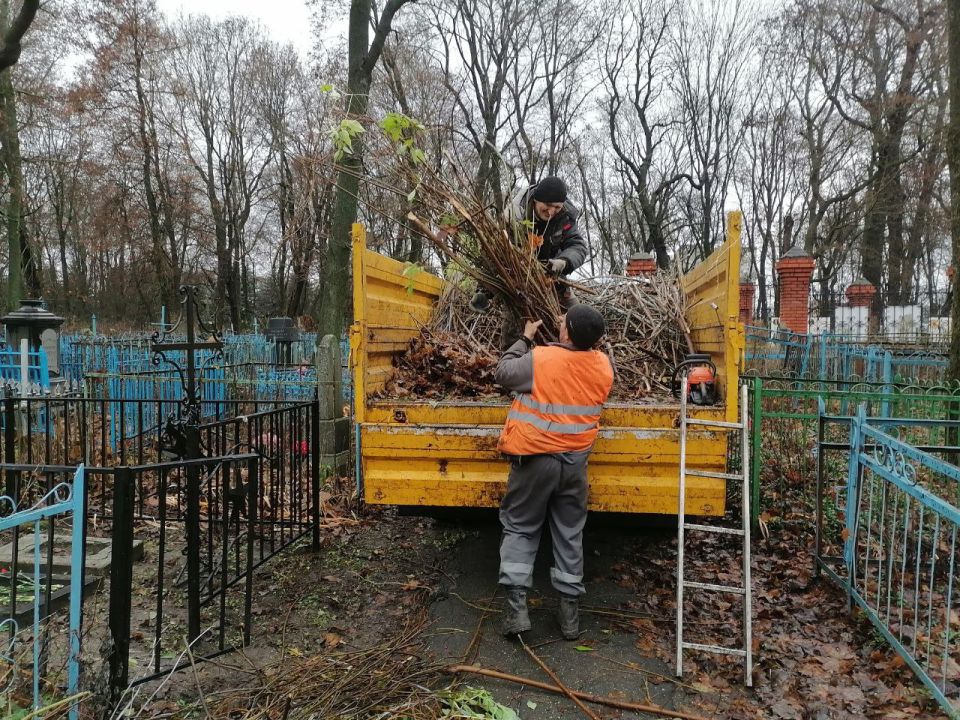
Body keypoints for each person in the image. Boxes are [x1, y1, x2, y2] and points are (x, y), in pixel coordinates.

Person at [493, 304, 614, 640]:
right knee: (569, 532)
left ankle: (517, 610)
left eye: (564, 323)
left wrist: (524, 339)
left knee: (521, 527)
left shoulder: (542, 358)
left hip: (536, 459)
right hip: (574, 464)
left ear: (567, 332)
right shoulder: (604, 366)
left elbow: (503, 373)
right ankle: (570, 616)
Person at [470, 176, 588, 318]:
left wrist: (564, 262)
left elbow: (577, 245)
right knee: (518, 320)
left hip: (552, 275)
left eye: (557, 207)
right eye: (548, 204)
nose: (551, 211)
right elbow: (496, 254)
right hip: (520, 281)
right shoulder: (514, 216)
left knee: (577, 317)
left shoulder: (565, 216)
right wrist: (484, 290)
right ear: (536, 199)